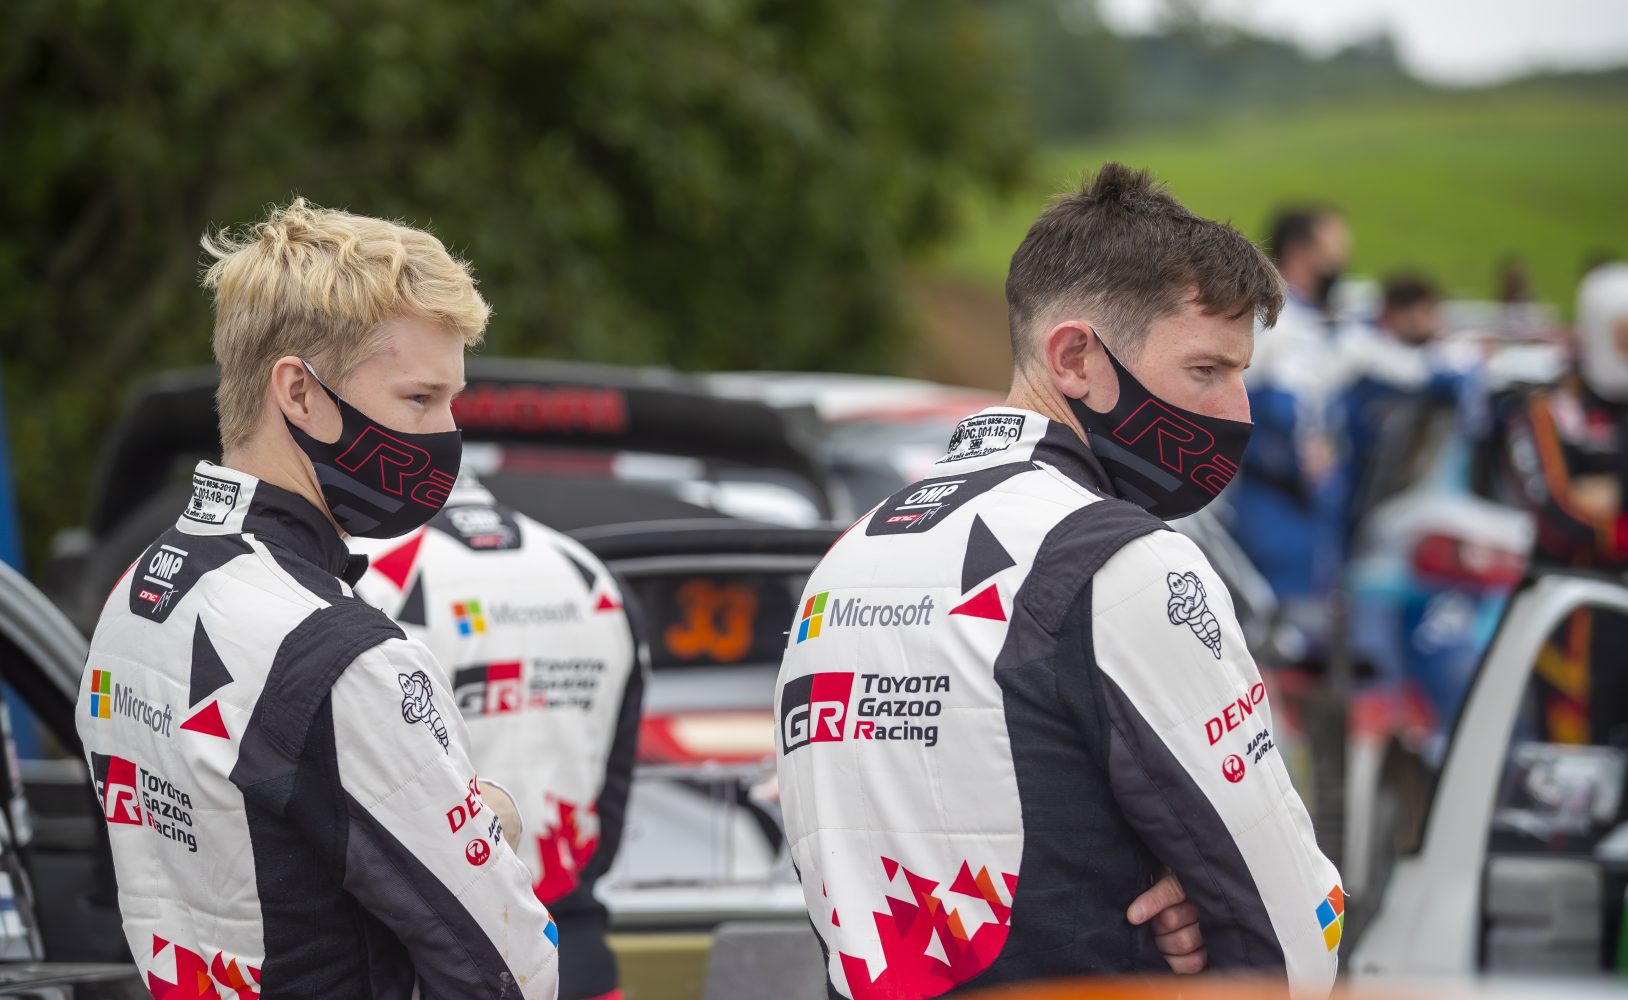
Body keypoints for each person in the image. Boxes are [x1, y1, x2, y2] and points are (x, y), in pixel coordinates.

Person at [775, 164, 1342, 1000]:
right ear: (1075, 357)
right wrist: (1201, 903)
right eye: (1207, 371)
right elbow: (1291, 935)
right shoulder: (1123, 562)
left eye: (1241, 375)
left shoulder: (844, 561)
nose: (1240, 413)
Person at [74, 199, 561, 997]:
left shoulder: (138, 592)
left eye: (453, 401)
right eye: (419, 399)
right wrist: (490, 820)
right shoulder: (342, 656)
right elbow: (511, 967)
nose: (448, 437)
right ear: (298, 392)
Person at [351, 469, 643, 1000]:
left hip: (433, 956)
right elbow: (616, 781)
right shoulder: (587, 572)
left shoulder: (359, 574)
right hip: (575, 947)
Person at [1503, 262, 1628, 747]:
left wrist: (1609, 502)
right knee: (1576, 763)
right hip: (1575, 623)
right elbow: (1560, 519)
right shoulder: (1546, 411)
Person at [1228, 206, 1353, 643]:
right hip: (1274, 508)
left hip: (1307, 514)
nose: (1343, 260)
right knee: (1276, 641)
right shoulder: (1270, 320)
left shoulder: (1313, 319)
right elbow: (1260, 412)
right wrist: (1302, 461)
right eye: (1335, 248)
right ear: (1301, 252)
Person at [1339, 272, 1471, 532]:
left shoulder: (1406, 350)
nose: (1433, 326)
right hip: (1352, 473)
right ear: (1396, 315)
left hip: (1379, 480)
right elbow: (1422, 374)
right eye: (1425, 315)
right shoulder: (1363, 347)